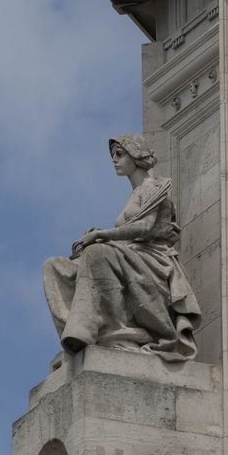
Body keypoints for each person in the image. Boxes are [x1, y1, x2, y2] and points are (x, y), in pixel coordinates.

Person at [43, 135, 201, 362]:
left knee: (98, 252)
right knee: (55, 267)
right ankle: (77, 331)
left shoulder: (153, 187)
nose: (114, 160)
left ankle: (98, 331)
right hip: (132, 257)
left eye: (120, 154)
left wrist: (102, 235)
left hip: (152, 262)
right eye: (113, 156)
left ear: (136, 155)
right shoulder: (134, 194)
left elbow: (144, 227)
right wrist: (100, 235)